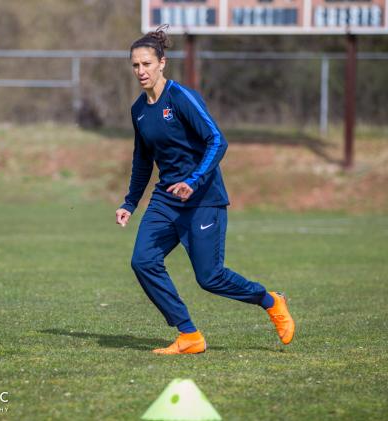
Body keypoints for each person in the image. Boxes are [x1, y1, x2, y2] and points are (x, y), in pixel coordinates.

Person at [115, 27, 295, 355]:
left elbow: (217, 140)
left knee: (209, 277)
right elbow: (142, 160)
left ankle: (270, 300)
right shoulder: (138, 110)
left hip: (203, 199)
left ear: (162, 64)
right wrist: (130, 202)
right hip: (166, 200)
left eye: (146, 64)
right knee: (143, 261)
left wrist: (194, 180)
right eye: (135, 66)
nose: (140, 71)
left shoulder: (182, 98)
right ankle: (188, 335)